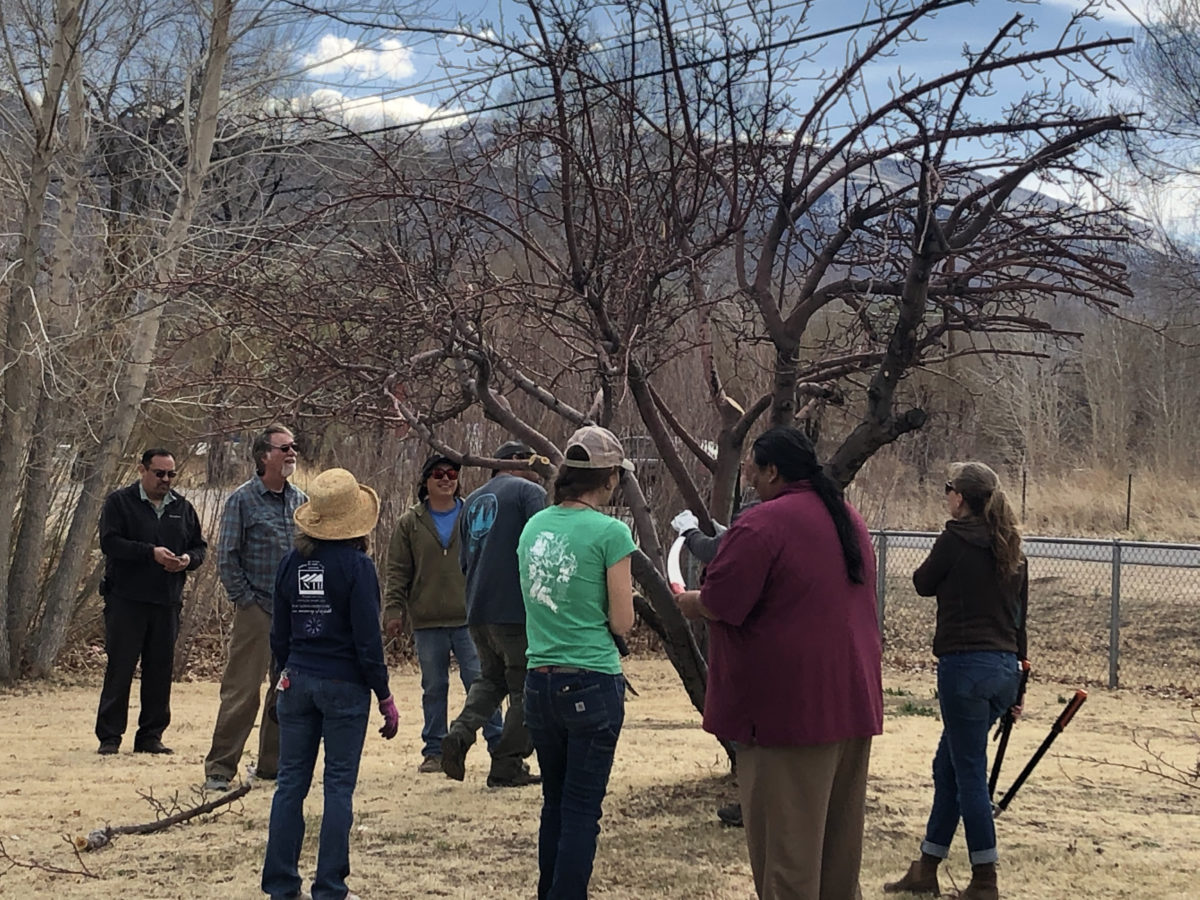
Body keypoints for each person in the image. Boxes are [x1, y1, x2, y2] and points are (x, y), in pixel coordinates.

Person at [675, 426, 882, 900]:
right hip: (851, 702)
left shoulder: (764, 524)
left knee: (787, 856)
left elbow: (723, 601)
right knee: (836, 851)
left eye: (752, 464)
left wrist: (691, 601)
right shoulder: (848, 519)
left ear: (773, 471)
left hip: (787, 714)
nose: (747, 472)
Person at [883, 462, 1028, 900]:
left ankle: (985, 879)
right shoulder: (1012, 548)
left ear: (960, 498)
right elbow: (1021, 623)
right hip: (1004, 670)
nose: (946, 496)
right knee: (947, 767)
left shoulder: (955, 538)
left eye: (949, 489)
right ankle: (926, 868)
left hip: (964, 668)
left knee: (968, 775)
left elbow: (922, 583)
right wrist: (1019, 687)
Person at [261, 467, 399, 900]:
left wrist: (284, 675)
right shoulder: (358, 567)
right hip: (344, 685)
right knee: (338, 786)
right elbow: (367, 640)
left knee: (290, 785)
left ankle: (281, 884)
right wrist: (384, 694)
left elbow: (278, 634)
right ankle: (330, 887)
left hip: (297, 680)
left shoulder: (290, 562)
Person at [519, 426, 636, 898]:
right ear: (608, 478)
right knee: (583, 810)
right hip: (591, 678)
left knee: (555, 804)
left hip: (538, 680)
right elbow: (623, 622)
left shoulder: (535, 526)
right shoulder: (611, 532)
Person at [204, 425, 307, 791]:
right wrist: (245, 600)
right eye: (285, 448)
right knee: (242, 691)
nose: (292, 452)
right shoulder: (242, 500)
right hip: (256, 610)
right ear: (264, 456)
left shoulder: (301, 502)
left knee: (286, 690)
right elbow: (227, 557)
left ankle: (272, 766)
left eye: (294, 447)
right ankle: (219, 769)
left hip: (293, 614)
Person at [384, 454, 501, 774]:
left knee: (482, 683)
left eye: (452, 473)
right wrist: (394, 610)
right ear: (425, 481)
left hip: (471, 618)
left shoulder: (473, 514)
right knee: (433, 687)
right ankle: (434, 750)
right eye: (438, 474)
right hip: (428, 620)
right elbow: (397, 571)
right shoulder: (410, 522)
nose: (446, 479)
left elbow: (490, 562)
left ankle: (499, 745)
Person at [441, 440, 547, 787]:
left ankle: (459, 733)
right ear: (514, 462)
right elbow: (541, 548)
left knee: (491, 679)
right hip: (515, 607)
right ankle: (507, 763)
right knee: (525, 686)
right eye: (531, 458)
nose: (538, 466)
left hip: (478, 608)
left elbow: (463, 561)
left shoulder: (471, 501)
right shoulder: (528, 492)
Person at [95, 448, 207, 755]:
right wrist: (150, 552)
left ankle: (150, 736)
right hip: (126, 600)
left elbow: (200, 547)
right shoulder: (120, 502)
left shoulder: (182, 507)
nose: (166, 480)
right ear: (143, 470)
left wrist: (187, 560)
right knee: (121, 668)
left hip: (166, 601)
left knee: (159, 671)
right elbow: (110, 542)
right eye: (160, 473)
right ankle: (109, 737)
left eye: (171, 474)